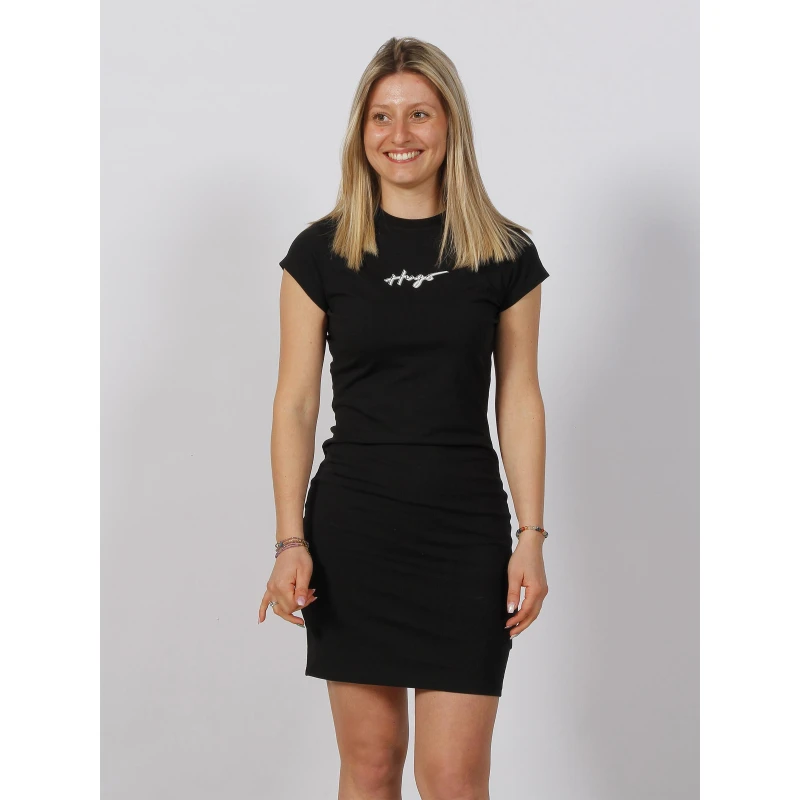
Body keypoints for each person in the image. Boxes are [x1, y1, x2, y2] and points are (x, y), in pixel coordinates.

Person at [259, 36, 550, 800]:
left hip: (463, 533)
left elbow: (520, 396)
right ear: (361, 131)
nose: (400, 134)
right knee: (372, 765)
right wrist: (290, 540)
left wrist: (531, 535)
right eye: (382, 116)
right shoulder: (319, 253)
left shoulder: (505, 254)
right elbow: (295, 403)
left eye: (420, 114)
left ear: (451, 124)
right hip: (355, 532)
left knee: (453, 778)